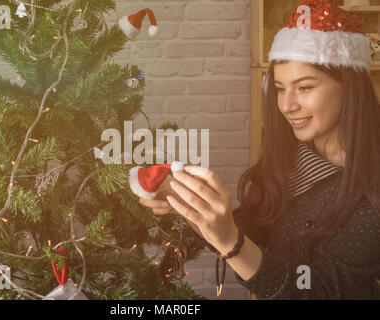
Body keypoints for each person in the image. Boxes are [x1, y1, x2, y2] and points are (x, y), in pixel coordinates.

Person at [139, 0, 380, 299]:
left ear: (349, 87)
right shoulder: (291, 159)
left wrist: (231, 241)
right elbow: (253, 230)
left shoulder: (371, 188)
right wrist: (193, 206)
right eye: (280, 88)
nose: (287, 105)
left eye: (305, 87)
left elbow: (315, 291)